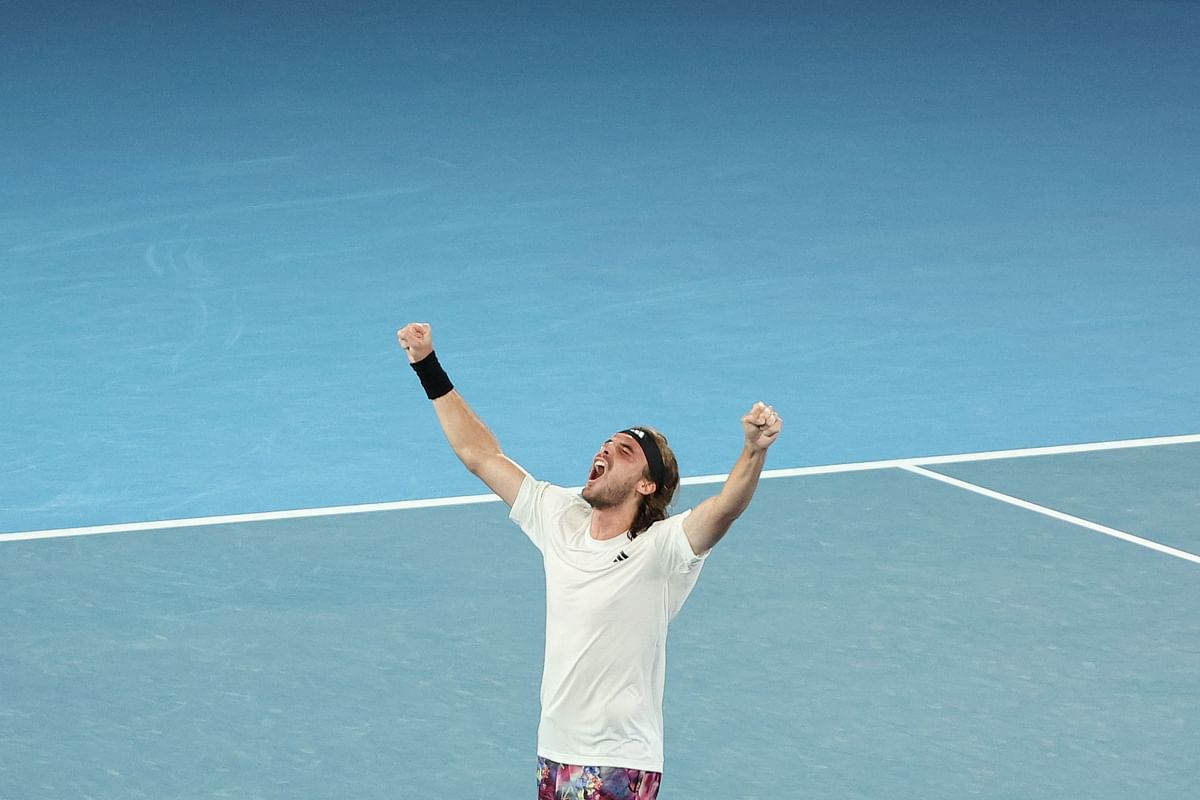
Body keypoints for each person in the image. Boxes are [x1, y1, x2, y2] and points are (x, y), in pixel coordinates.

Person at [397, 321, 783, 800]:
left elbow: (725, 507)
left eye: (625, 452)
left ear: (647, 486)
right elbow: (480, 454)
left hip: (619, 761)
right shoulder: (559, 515)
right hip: (555, 752)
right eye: (607, 444)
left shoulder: (664, 548)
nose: (605, 451)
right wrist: (427, 365)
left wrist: (752, 451)